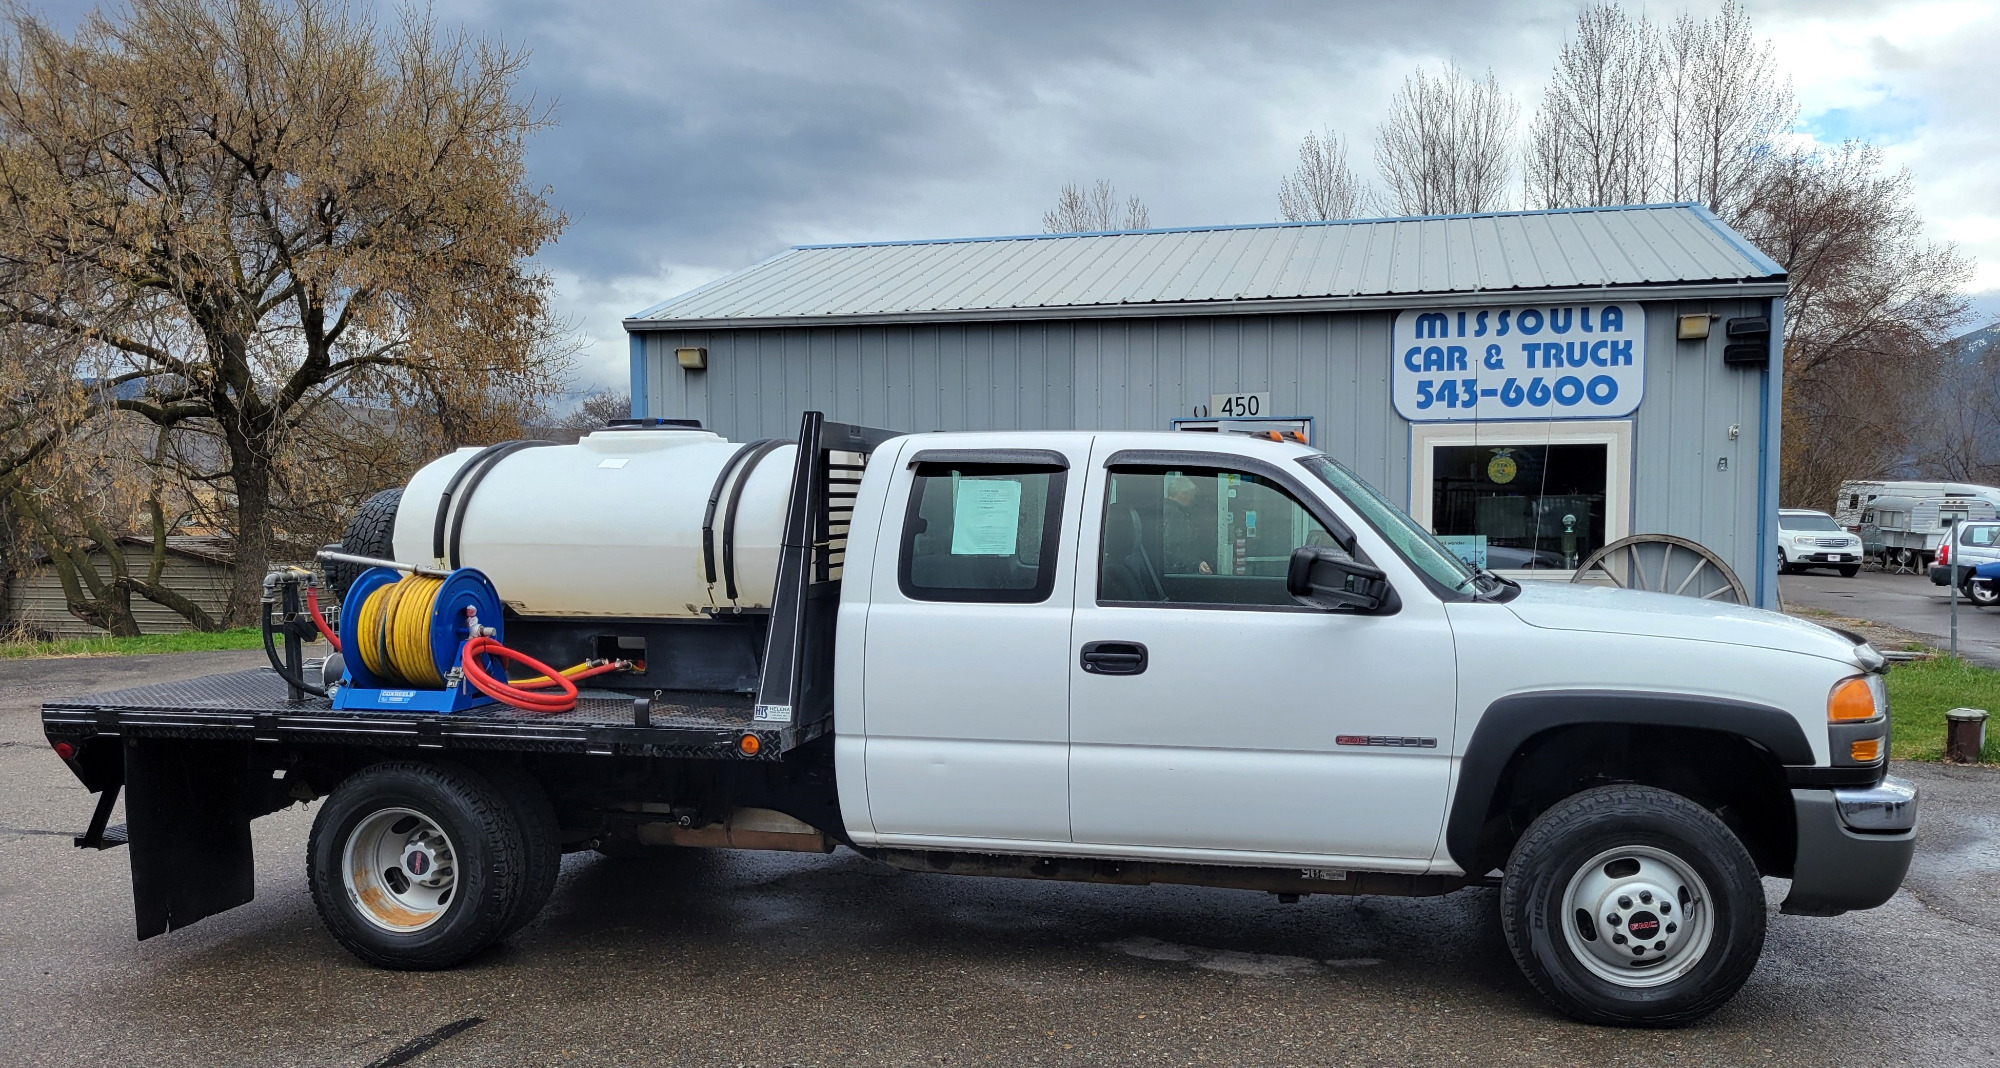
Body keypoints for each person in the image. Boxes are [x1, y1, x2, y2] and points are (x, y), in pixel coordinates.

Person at [1162, 474, 1214, 575]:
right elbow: (1172, 549)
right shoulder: (1174, 514)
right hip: (1175, 573)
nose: (1193, 499)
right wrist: (1196, 563)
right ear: (1183, 494)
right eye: (1192, 495)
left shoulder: (1166, 510)